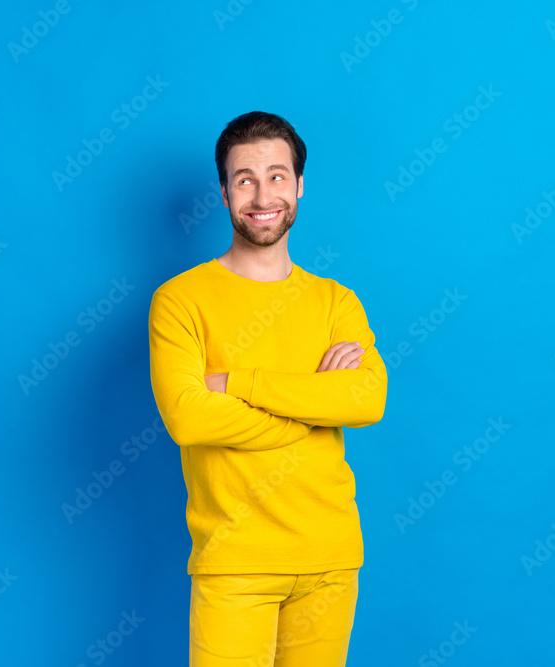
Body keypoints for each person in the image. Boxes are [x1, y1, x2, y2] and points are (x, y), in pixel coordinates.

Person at [147, 111, 389, 666]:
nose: (262, 196)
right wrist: (314, 403)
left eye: (277, 176)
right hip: (235, 562)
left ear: (299, 185)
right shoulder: (180, 301)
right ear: (224, 193)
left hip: (330, 559)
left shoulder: (336, 302)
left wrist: (239, 383)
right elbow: (189, 418)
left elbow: (366, 400)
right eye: (245, 179)